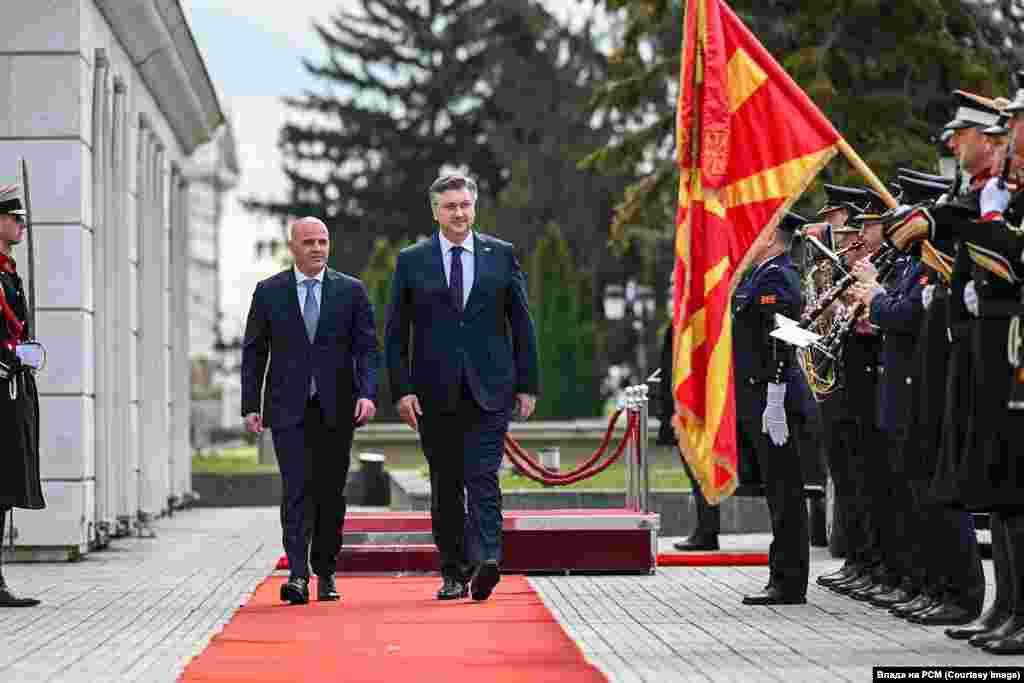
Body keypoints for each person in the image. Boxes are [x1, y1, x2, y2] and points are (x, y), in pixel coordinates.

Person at [385, 173, 540, 602]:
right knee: (447, 485)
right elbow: (396, 333)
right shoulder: (412, 260)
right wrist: (402, 391)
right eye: (450, 206)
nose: (458, 213)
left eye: (465, 205)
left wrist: (528, 385)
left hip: (491, 389)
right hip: (434, 394)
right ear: (435, 211)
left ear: (475, 208)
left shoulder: (501, 255)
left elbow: (522, 325)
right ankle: (453, 571)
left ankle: (488, 559)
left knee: (484, 476)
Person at [241, 217, 379, 605]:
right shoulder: (269, 292)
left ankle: (327, 570)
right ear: (293, 247)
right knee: (297, 488)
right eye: (309, 242)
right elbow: (254, 351)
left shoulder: (351, 291)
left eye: (323, 241)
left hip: (337, 407)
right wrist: (250, 405)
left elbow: (367, 349)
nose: (318, 248)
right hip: (288, 409)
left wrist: (367, 394)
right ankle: (298, 574)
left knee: (331, 493)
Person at [732, 211, 811, 605]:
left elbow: (784, 336)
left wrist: (776, 395)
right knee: (777, 490)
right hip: (758, 394)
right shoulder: (759, 275)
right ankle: (781, 575)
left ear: (771, 236)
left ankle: (789, 581)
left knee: (786, 492)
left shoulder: (777, 275)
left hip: (771, 396)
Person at [0, 184, 44, 608]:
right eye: (16, 218)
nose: (22, 225)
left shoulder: (9, 272)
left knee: (4, 488)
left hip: (11, 388)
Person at [657, 323, 719, 551]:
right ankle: (705, 528)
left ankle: (707, 530)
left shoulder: (689, 317)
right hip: (689, 405)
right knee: (698, 472)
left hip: (693, 407)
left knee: (699, 471)